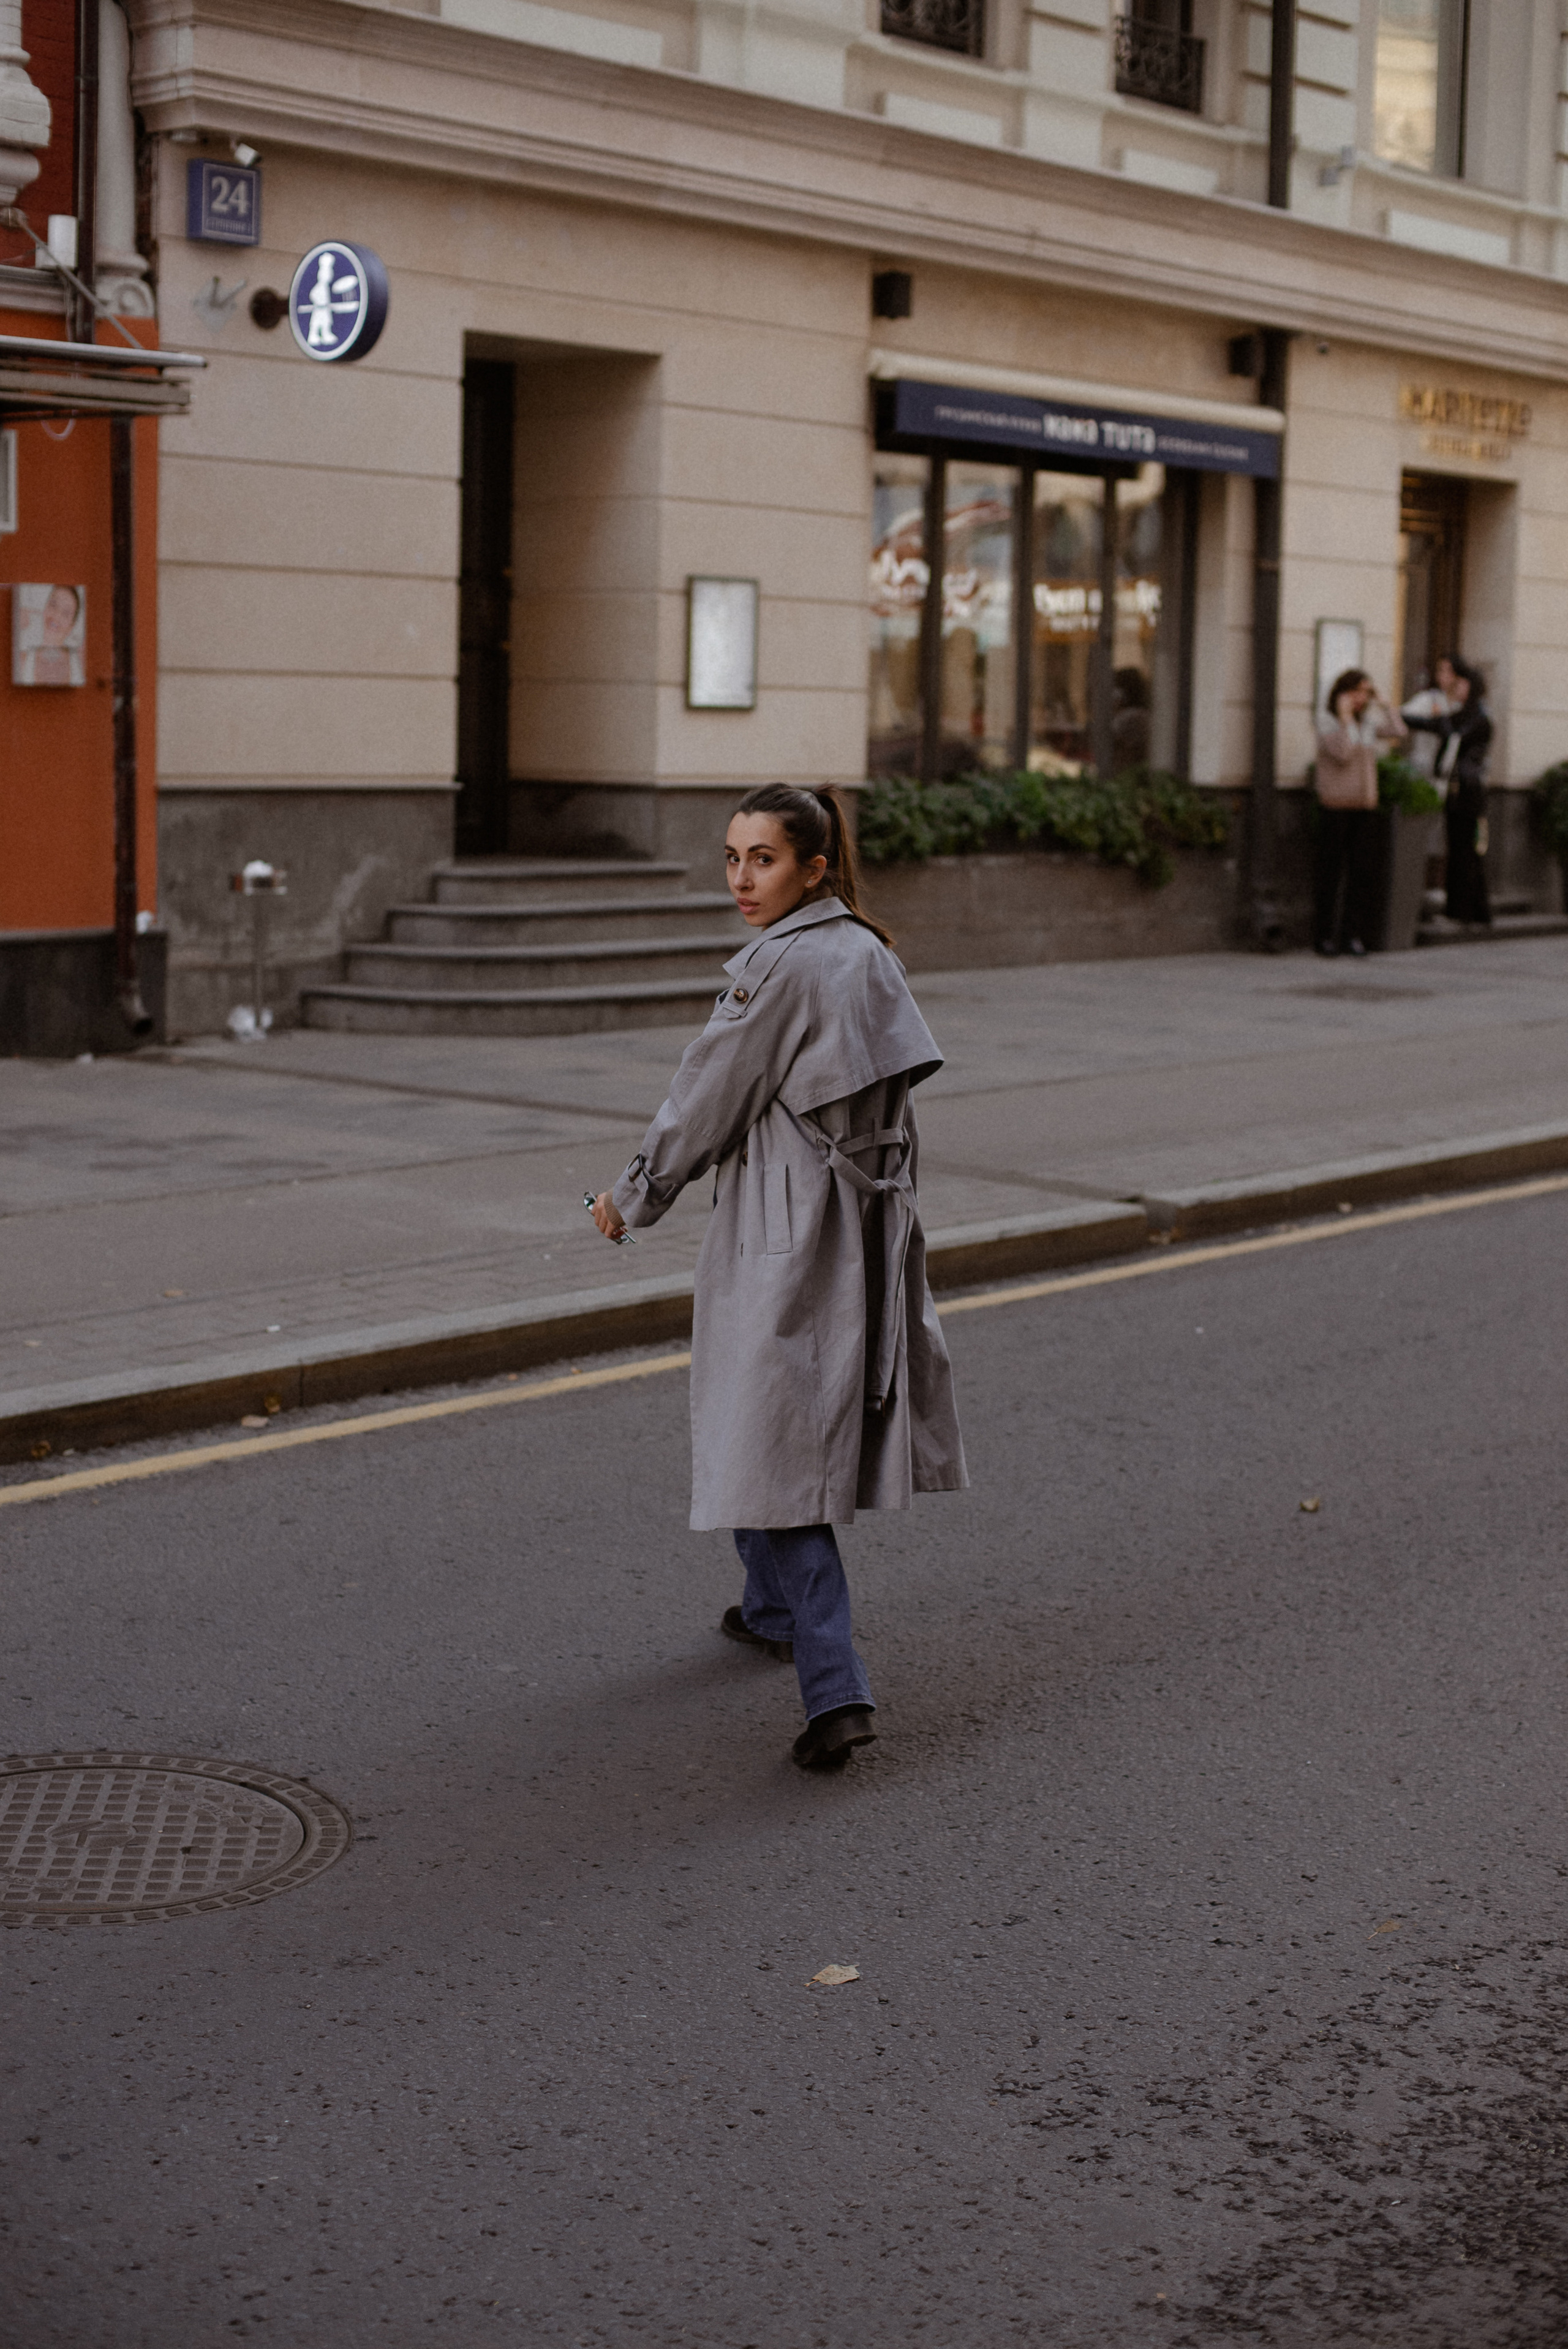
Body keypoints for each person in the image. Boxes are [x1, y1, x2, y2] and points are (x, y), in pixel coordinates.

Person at [589, 784, 968, 1771]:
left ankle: (836, 1689)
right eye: (731, 857)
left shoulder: (784, 967)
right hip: (862, 1220)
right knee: (762, 1418)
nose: (742, 879)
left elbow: (708, 1091)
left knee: (776, 1440)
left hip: (788, 1228)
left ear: (814, 867)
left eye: (763, 859)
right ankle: (766, 1607)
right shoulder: (868, 952)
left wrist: (633, 1194)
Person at [1313, 667, 1406, 956]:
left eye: (1366, 692)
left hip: (1364, 807)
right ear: (1343, 694)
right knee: (1330, 874)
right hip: (1336, 806)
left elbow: (1398, 732)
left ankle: (1351, 935)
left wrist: (1386, 706)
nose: (1361, 699)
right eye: (1356, 692)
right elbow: (1343, 753)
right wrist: (1344, 719)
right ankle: (1324, 936)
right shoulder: (1328, 723)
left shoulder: (1366, 724)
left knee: (1360, 875)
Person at [1404, 657, 1493, 927]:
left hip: (1469, 793)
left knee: (1468, 851)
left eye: (1463, 683)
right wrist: (1401, 715)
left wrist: (1441, 724)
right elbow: (1435, 725)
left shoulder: (1479, 719)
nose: (1458, 688)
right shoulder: (1463, 715)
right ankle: (1467, 910)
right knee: (1459, 850)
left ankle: (1468, 911)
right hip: (1457, 792)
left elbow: (1450, 731)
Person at [1400, 656, 1455, 785]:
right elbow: (1403, 715)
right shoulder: (1430, 698)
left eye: (1450, 671)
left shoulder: (1463, 706)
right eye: (1441, 671)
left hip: (1449, 773)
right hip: (1424, 768)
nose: (1445, 676)